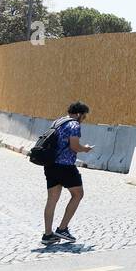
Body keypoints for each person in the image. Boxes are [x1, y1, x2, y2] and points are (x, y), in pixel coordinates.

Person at [42, 101, 94, 245]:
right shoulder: (74, 125)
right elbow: (75, 146)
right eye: (84, 117)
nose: (83, 120)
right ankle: (62, 228)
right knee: (78, 194)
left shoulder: (58, 122)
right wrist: (86, 148)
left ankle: (47, 235)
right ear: (79, 114)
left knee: (52, 200)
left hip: (50, 165)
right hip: (65, 166)